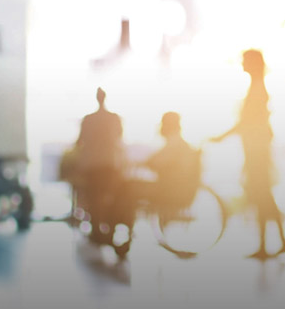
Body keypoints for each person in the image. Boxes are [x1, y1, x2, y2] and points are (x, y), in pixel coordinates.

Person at [212, 50, 285, 259]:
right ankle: (277, 243)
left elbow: (246, 122)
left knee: (261, 196)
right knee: (265, 197)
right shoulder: (258, 87)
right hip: (256, 151)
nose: (241, 65)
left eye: (244, 61)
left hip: (256, 153)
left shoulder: (257, 90)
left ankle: (267, 245)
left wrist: (221, 137)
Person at [66, 88, 129, 242]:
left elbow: (80, 141)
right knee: (109, 196)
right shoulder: (114, 118)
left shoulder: (88, 119)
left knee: (94, 197)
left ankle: (96, 230)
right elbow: (119, 139)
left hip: (92, 165)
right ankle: (108, 226)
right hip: (109, 164)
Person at [144, 112, 201, 217]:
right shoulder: (182, 144)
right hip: (182, 189)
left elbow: (157, 161)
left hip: (171, 190)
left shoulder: (174, 143)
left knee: (129, 188)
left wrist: (146, 162)